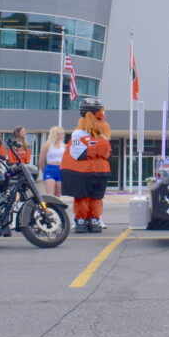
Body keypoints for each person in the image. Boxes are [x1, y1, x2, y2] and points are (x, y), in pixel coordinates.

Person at [62, 97, 112, 234]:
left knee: (96, 196)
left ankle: (95, 218)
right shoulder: (78, 134)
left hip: (100, 171)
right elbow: (78, 153)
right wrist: (97, 148)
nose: (103, 115)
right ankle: (81, 219)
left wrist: (96, 148)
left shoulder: (102, 134)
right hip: (82, 172)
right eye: (100, 112)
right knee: (82, 196)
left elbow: (106, 153)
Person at [38, 126, 66, 197]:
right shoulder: (47, 146)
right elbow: (41, 160)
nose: (63, 135)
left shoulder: (64, 146)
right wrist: (44, 171)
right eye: (61, 133)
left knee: (58, 195)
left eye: (63, 133)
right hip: (50, 169)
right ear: (56, 134)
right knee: (50, 194)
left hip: (60, 169)